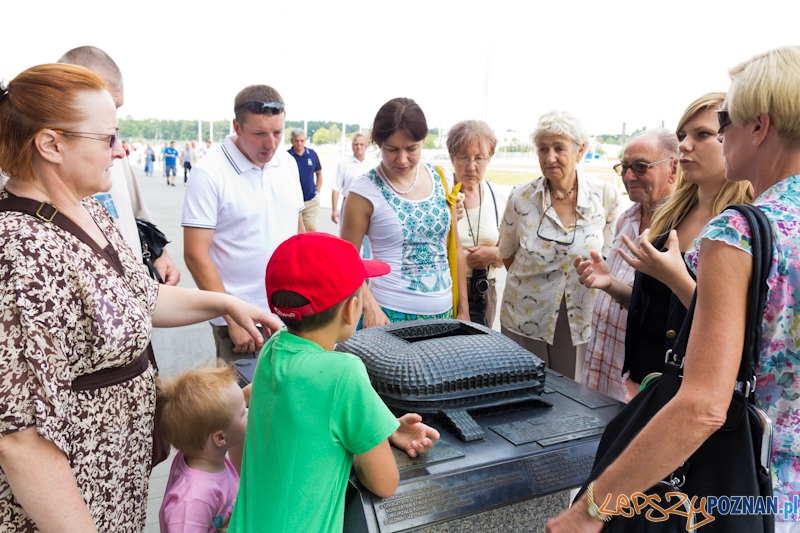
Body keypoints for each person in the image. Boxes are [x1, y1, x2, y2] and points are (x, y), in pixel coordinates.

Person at [0, 63, 281, 533]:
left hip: (114, 481)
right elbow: (21, 439)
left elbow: (141, 297)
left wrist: (225, 303)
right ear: (51, 144)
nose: (121, 149)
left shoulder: (85, 208)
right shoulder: (20, 252)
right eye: (107, 138)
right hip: (72, 498)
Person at [547, 46, 800, 533]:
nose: (721, 134)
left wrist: (591, 510)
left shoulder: (739, 233)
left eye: (723, 121)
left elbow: (704, 405)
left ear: (759, 126)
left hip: (751, 487)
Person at [229, 232, 439, 533]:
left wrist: (385, 426)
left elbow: (293, 404)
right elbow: (384, 483)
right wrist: (369, 440)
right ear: (352, 309)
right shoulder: (345, 372)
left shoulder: (273, 348)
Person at [582, 96, 753, 401]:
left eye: (702, 134)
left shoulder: (742, 225)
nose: (685, 145)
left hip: (689, 394)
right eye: (681, 136)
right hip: (641, 381)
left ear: (732, 137)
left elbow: (734, 329)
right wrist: (612, 285)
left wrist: (676, 278)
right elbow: (655, 305)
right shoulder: (670, 214)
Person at [183, 85, 305, 364]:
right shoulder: (208, 172)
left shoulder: (286, 163)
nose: (271, 144)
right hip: (241, 321)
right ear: (237, 126)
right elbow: (195, 254)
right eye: (259, 134)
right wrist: (232, 317)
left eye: (277, 133)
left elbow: (298, 232)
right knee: (242, 403)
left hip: (291, 311)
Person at [499, 110, 621, 381]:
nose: (550, 157)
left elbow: (608, 255)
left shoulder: (605, 195)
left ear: (580, 151)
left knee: (572, 396)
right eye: (543, 149)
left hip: (579, 315)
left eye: (559, 148)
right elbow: (507, 254)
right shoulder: (521, 197)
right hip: (525, 314)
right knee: (523, 393)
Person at [341, 97, 469, 326]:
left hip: (444, 315)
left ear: (424, 141)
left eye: (412, 149)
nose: (402, 159)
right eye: (391, 149)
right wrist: (370, 307)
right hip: (387, 316)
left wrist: (463, 310)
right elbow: (346, 261)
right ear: (378, 144)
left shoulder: (443, 179)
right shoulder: (364, 191)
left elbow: (455, 247)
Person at [59, 46, 181, 285]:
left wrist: (159, 253)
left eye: (117, 107)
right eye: (103, 104)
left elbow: (136, 214)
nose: (119, 150)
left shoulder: (113, 151)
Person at [575, 129, 679, 401]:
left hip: (635, 380)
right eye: (624, 167)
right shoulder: (627, 218)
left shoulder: (678, 232)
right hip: (603, 366)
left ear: (673, 168)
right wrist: (607, 281)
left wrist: (611, 285)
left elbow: (661, 310)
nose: (628, 176)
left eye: (640, 166)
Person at [156, 363, 246, 533]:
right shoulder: (193, 500)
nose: (248, 413)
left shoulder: (200, 452)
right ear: (220, 438)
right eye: (242, 413)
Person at [446, 119, 506, 328]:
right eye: (463, 157)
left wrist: (493, 254)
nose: (471, 167)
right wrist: (448, 217)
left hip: (485, 291)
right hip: (448, 290)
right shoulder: (442, 195)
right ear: (452, 157)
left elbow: (510, 254)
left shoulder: (497, 196)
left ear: (489, 159)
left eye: (479, 158)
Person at [331, 133, 372, 256]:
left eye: (361, 144)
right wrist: (334, 209)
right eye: (356, 144)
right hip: (348, 202)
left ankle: (366, 268)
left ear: (366, 146)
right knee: (346, 238)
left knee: (368, 239)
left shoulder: (373, 165)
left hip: (368, 204)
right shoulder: (344, 164)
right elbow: (335, 187)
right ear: (352, 146)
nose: (358, 147)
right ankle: (348, 266)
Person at [287, 128, 322, 232]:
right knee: (296, 231)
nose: (299, 143)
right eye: (296, 141)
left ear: (305, 140)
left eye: (302, 141)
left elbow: (319, 173)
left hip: (311, 199)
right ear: (291, 141)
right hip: (293, 200)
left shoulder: (311, 154)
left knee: (311, 229)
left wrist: (318, 191)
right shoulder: (287, 156)